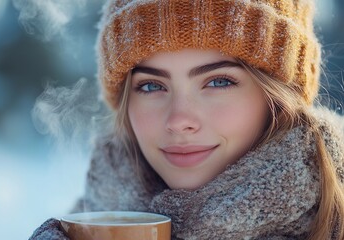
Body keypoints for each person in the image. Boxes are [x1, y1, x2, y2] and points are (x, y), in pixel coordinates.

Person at [29, 0, 344, 239]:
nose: (179, 120)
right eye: (151, 86)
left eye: (218, 81)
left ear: (277, 99)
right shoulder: (95, 216)